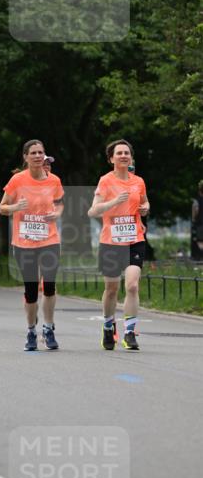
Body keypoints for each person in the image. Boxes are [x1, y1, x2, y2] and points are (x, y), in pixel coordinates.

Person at [0, 140, 64, 351]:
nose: (38, 156)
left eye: (41, 152)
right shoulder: (17, 180)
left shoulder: (54, 180)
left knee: (50, 285)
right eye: (33, 153)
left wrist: (57, 213)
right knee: (30, 289)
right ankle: (30, 331)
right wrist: (16, 206)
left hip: (49, 240)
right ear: (26, 157)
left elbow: (60, 203)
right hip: (24, 242)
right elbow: (2, 207)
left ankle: (49, 327)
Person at [88, 139, 149, 351]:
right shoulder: (105, 181)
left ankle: (130, 333)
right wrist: (113, 202)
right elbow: (93, 211)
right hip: (111, 242)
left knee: (132, 285)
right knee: (111, 288)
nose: (123, 155)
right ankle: (107, 325)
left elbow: (145, 201)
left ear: (131, 157)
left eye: (126, 153)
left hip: (134, 239)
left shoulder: (138, 181)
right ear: (111, 158)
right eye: (119, 153)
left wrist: (145, 209)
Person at [192, 181, 203, 261]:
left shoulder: (197, 201)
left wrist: (194, 218)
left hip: (200, 223)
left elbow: (195, 210)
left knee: (199, 241)